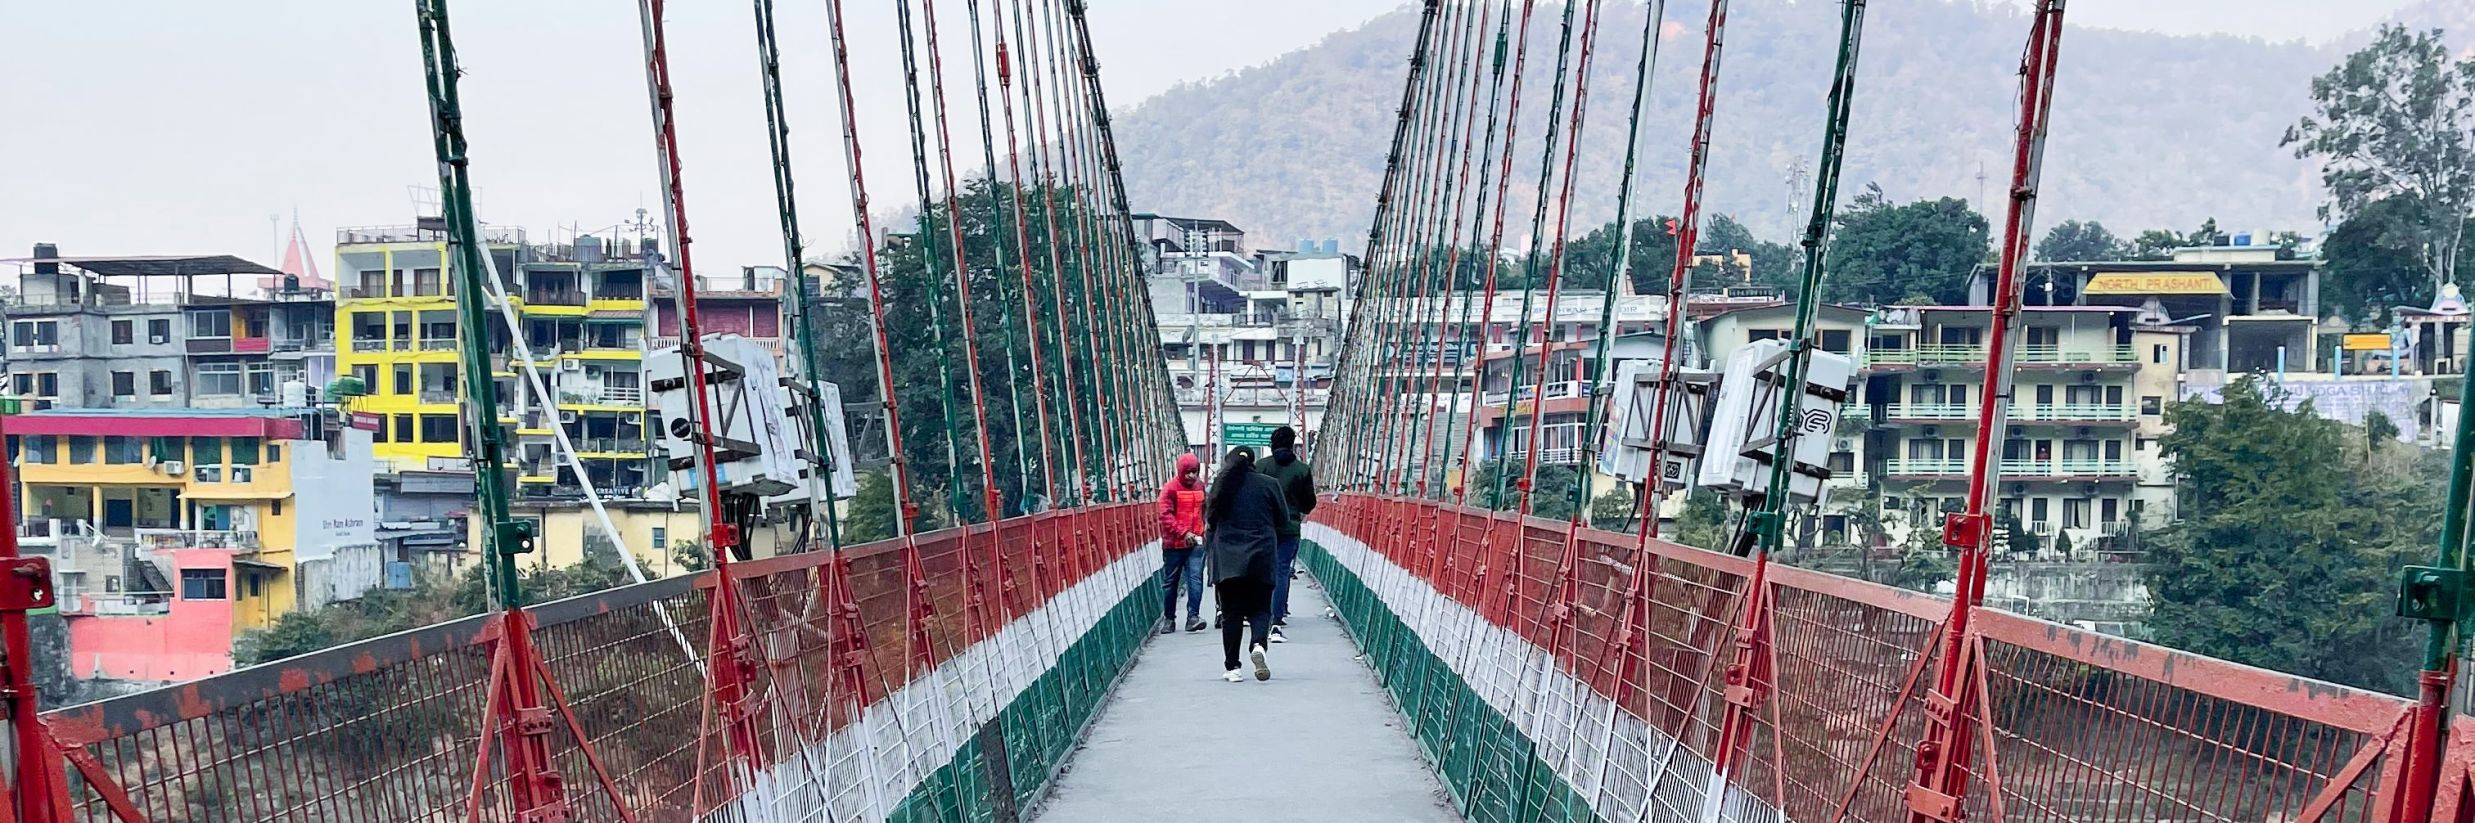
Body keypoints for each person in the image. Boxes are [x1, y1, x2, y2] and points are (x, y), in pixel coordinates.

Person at [1205, 446, 1290, 682]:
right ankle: (1258, 645)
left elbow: (1210, 521)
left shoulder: (1220, 486)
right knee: (1261, 608)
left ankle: (1233, 668)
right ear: (1253, 462)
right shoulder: (1269, 484)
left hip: (1229, 558)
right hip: (1261, 556)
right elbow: (1283, 520)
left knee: (1231, 613)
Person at [1262, 426, 1317, 643]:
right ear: (1293, 443)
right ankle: (1277, 616)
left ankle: (1261, 613)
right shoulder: (1302, 469)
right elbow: (1309, 502)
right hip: (1290, 527)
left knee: (1263, 570)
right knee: (1282, 570)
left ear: (1271, 443)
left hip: (1264, 527)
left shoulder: (1261, 467)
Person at [1156, 452, 1210, 633]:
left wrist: (1204, 529)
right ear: (1180, 471)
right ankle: (1169, 619)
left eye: (1194, 472)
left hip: (1195, 544)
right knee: (1171, 582)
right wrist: (1183, 532)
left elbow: (1205, 509)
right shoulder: (1169, 489)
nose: (1191, 476)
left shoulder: (1200, 487)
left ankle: (1193, 617)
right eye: (1188, 472)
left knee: (1196, 579)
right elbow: (1165, 515)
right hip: (1174, 545)